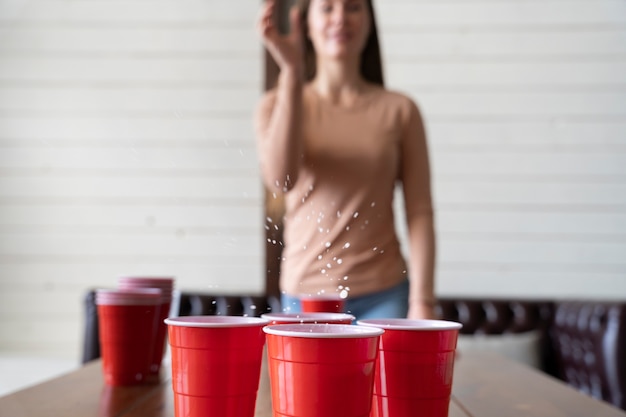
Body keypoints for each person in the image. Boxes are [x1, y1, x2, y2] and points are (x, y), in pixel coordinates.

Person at [254, 0, 436, 320]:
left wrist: (422, 302)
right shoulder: (275, 105)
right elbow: (281, 180)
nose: (340, 18)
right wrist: (292, 72)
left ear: (368, 23)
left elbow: (419, 212)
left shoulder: (401, 111)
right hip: (305, 297)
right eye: (327, 8)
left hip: (386, 295)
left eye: (352, 7)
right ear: (306, 24)